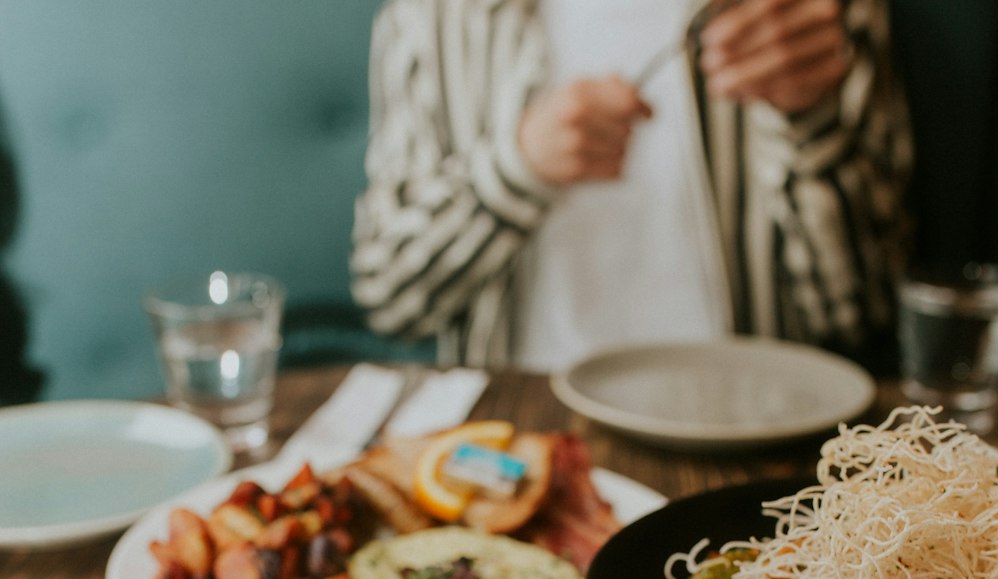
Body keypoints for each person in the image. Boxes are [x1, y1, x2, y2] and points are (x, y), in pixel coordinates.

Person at [350, 0, 912, 372]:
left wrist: (812, 117)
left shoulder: (805, 16)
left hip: (756, 430)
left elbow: (864, 315)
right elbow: (391, 300)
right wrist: (517, 168)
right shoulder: (434, 17)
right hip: (523, 427)